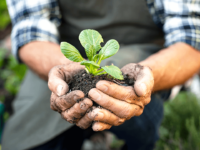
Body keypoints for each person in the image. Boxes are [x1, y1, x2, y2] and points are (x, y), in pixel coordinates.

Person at [2, 0, 200, 150]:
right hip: (59, 59)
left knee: (130, 106)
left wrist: (145, 76)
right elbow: (31, 32)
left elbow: (190, 40)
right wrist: (65, 74)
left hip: (146, 56)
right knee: (30, 133)